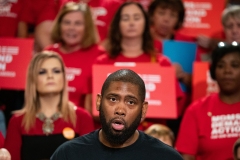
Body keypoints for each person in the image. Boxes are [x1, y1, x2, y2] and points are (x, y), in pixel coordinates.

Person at [51, 69, 183, 160]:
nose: (120, 110)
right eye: (113, 99)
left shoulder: (166, 157)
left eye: (131, 102)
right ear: (98, 102)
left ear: (143, 109)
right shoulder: (69, 154)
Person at [4, 51, 94, 160]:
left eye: (56, 71)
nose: (50, 76)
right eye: (42, 72)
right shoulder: (17, 121)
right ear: (33, 79)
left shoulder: (82, 117)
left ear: (64, 77)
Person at [176, 42, 240, 160]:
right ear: (213, 72)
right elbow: (186, 156)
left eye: (235, 65)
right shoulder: (196, 110)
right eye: (220, 66)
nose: (227, 71)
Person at [45, 2, 105, 114]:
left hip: (83, 122)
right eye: (67, 22)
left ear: (87, 28)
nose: (71, 28)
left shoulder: (100, 56)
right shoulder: (48, 53)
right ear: (59, 25)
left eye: (78, 23)